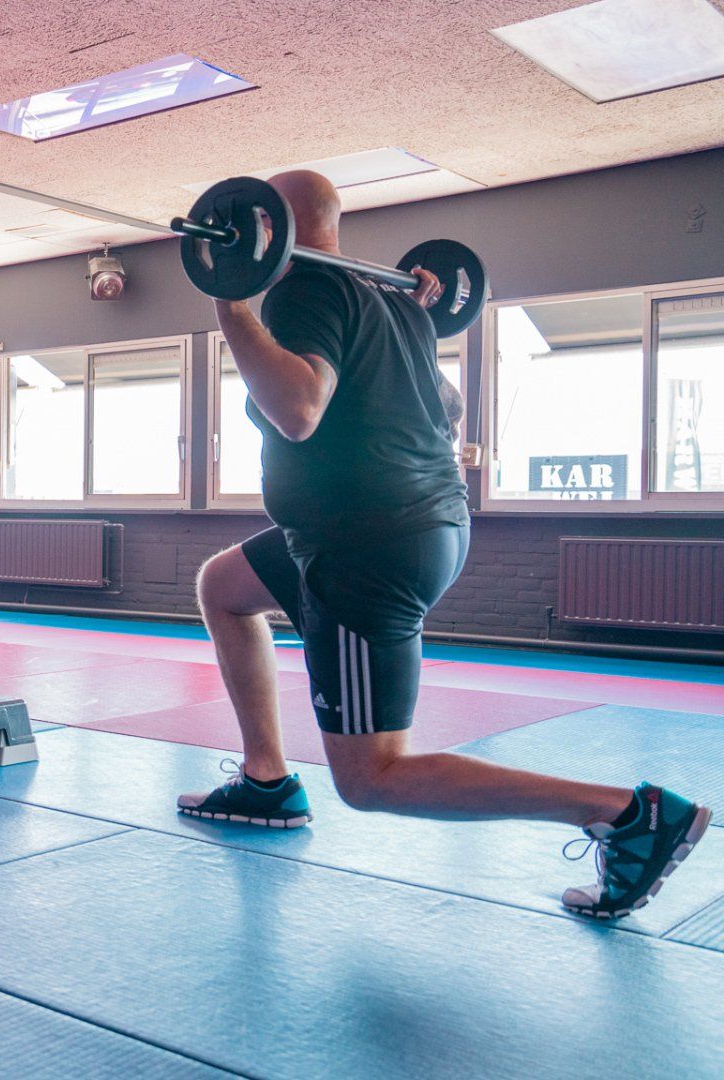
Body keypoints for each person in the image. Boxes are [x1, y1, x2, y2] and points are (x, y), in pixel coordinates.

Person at [177, 170, 708, 919]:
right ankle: (267, 779)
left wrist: (231, 302)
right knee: (225, 586)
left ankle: (628, 813)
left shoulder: (304, 292)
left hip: (364, 548)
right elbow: (430, 403)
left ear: (271, 230)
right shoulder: (396, 302)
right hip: (412, 524)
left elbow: (298, 410)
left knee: (371, 777)